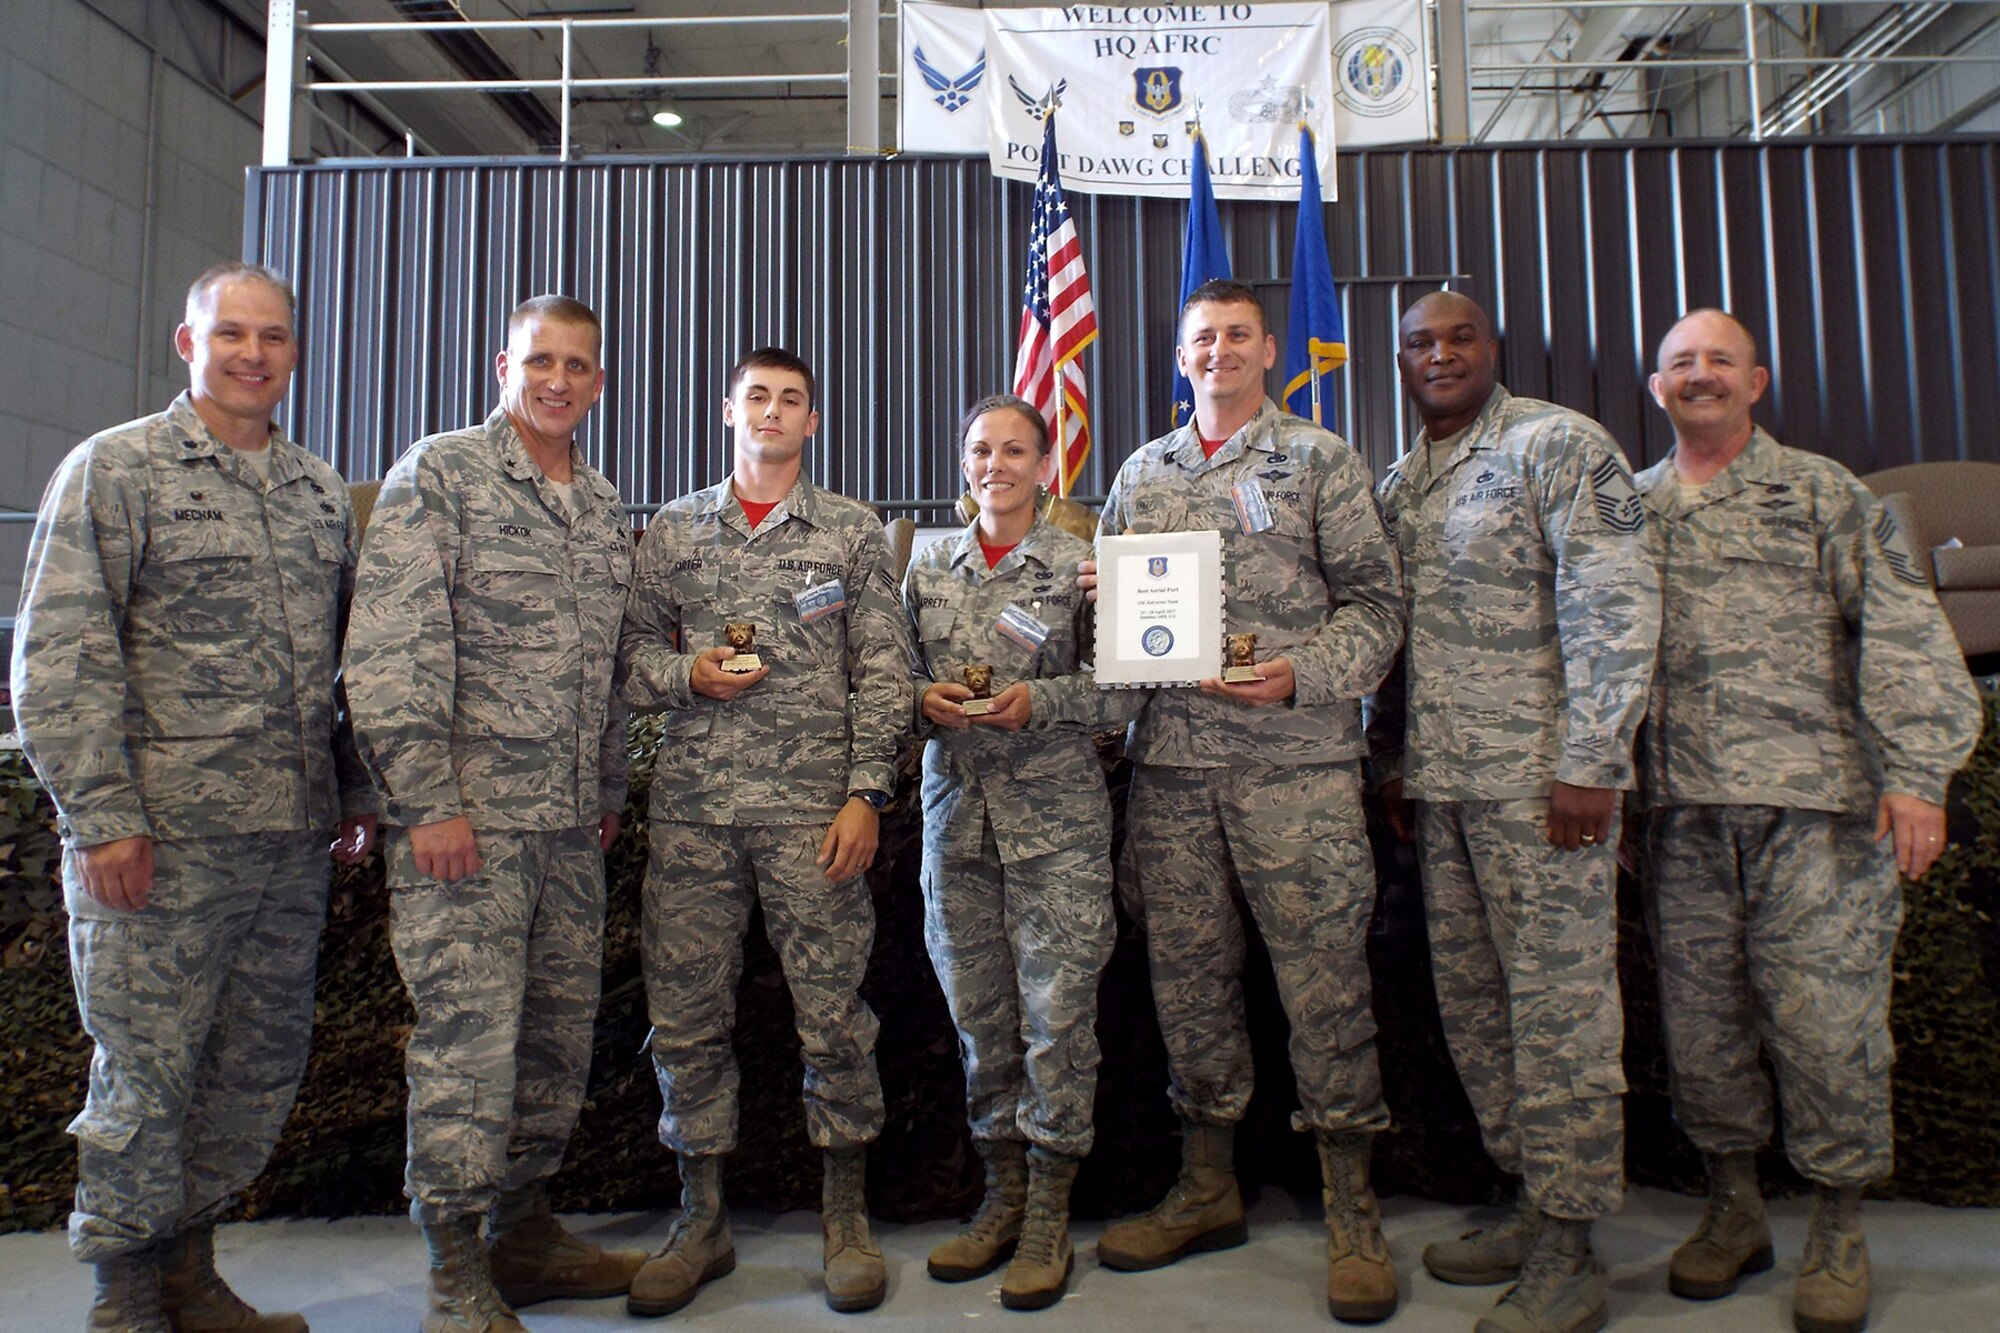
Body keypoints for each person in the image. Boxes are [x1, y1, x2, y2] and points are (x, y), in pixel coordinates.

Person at [10, 262, 378, 1333]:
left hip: (285, 838)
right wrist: (102, 817)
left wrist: (351, 785)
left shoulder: (314, 489)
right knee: (144, 1074)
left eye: (271, 338)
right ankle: (124, 1297)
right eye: (231, 336)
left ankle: (190, 1271)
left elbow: (342, 663)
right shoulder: (116, 470)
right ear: (189, 343)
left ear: (294, 354)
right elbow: (60, 660)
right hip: (159, 843)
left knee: (251, 1064)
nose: (251, 355)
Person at [1634, 309, 1981, 1333]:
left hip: (1816, 815)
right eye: (1680, 364)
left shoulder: (1823, 493)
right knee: (1701, 1034)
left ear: (1757, 379)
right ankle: (1732, 1207)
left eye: (1717, 361)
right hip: (1682, 815)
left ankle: (1836, 1223)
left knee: (1824, 1031)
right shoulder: (1632, 509)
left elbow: (1904, 627)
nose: (1698, 377)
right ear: (1656, 388)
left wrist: (1916, 774)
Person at [1079, 280, 1408, 1323]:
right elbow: (1127, 640)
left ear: (1267, 348)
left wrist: (1302, 671)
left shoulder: (1318, 460)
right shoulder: (1141, 472)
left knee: (1322, 987)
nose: (1215, 350)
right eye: (1198, 338)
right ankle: (1207, 1181)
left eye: (1233, 334)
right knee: (1187, 986)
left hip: (1295, 772)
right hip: (1172, 772)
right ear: (1179, 358)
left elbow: (1377, 606)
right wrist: (1103, 612)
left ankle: (1350, 1198)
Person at [343, 295, 644, 1333]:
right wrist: (424, 802)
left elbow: (603, 671)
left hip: (565, 829)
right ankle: (452, 1268)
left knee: (554, 1041)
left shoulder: (604, 506)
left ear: (600, 383)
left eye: (579, 365)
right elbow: (389, 650)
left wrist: (605, 791)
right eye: (540, 361)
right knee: (468, 1046)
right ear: (501, 366)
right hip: (463, 828)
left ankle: (522, 1231)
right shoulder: (441, 474)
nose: (558, 380)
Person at [1370, 290, 1659, 1333]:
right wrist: (1394, 758)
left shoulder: (1557, 445)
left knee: (1559, 1015)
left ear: (1491, 350)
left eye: (1458, 338)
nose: (1438, 355)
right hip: (1444, 790)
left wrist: (1592, 757)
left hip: (1545, 792)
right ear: (1396, 358)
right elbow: (1393, 638)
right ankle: (1528, 1199)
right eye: (1418, 342)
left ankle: (1574, 1243)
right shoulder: (1401, 482)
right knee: (1479, 1011)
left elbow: (1614, 600)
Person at [616, 347, 914, 1316]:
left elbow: (882, 669)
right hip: (696, 815)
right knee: (687, 1017)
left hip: (811, 818)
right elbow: (624, 655)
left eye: (791, 400)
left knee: (831, 1014)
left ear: (811, 421)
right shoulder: (670, 531)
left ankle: (844, 1216)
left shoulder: (850, 533)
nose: (772, 412)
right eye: (757, 396)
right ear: (728, 409)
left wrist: (868, 792)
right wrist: (683, 676)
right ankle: (699, 1219)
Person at [904, 394, 1136, 1310]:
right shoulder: (925, 567)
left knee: (1058, 1022)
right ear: (964, 462)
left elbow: (1123, 691)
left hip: (1057, 833)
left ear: (1046, 464)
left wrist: (1043, 703)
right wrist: (921, 697)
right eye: (979, 449)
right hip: (956, 822)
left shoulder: (1084, 568)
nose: (994, 464)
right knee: (979, 1019)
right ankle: (1000, 1195)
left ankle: (1047, 1211)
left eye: (1013, 449)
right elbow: (886, 676)